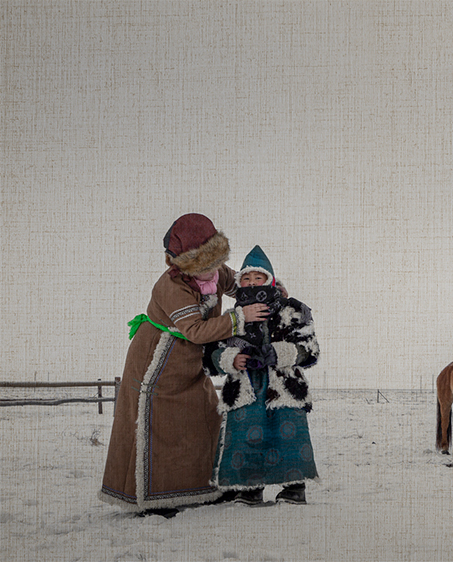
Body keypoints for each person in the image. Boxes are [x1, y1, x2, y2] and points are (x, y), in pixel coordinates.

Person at [100, 213, 270, 516]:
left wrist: (270, 290)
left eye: (214, 263)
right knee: (160, 426)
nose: (211, 271)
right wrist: (239, 317)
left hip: (190, 360)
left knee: (205, 417)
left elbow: (240, 284)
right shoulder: (172, 287)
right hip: (159, 360)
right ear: (184, 265)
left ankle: (201, 488)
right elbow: (195, 330)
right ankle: (153, 497)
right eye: (202, 267)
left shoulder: (216, 271)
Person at [204, 245, 320, 505]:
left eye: (259, 277)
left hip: (284, 385)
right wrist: (231, 359)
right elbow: (211, 355)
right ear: (239, 283)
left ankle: (294, 488)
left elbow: (310, 349)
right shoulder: (232, 317)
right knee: (245, 436)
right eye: (246, 278)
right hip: (244, 386)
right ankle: (249, 488)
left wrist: (279, 353)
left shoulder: (292, 310)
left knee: (288, 433)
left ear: (270, 280)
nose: (253, 282)